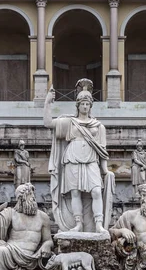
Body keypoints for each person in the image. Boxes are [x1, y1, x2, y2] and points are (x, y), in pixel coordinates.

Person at [44, 78, 115, 234]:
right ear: (78, 105)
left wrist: (105, 170)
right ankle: (78, 224)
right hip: (72, 158)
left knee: (96, 191)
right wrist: (47, 103)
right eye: (82, 104)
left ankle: (98, 224)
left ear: (90, 106)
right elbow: (48, 123)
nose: (84, 106)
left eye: (87, 104)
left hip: (91, 159)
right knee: (75, 192)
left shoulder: (99, 126)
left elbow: (102, 151)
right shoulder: (70, 122)